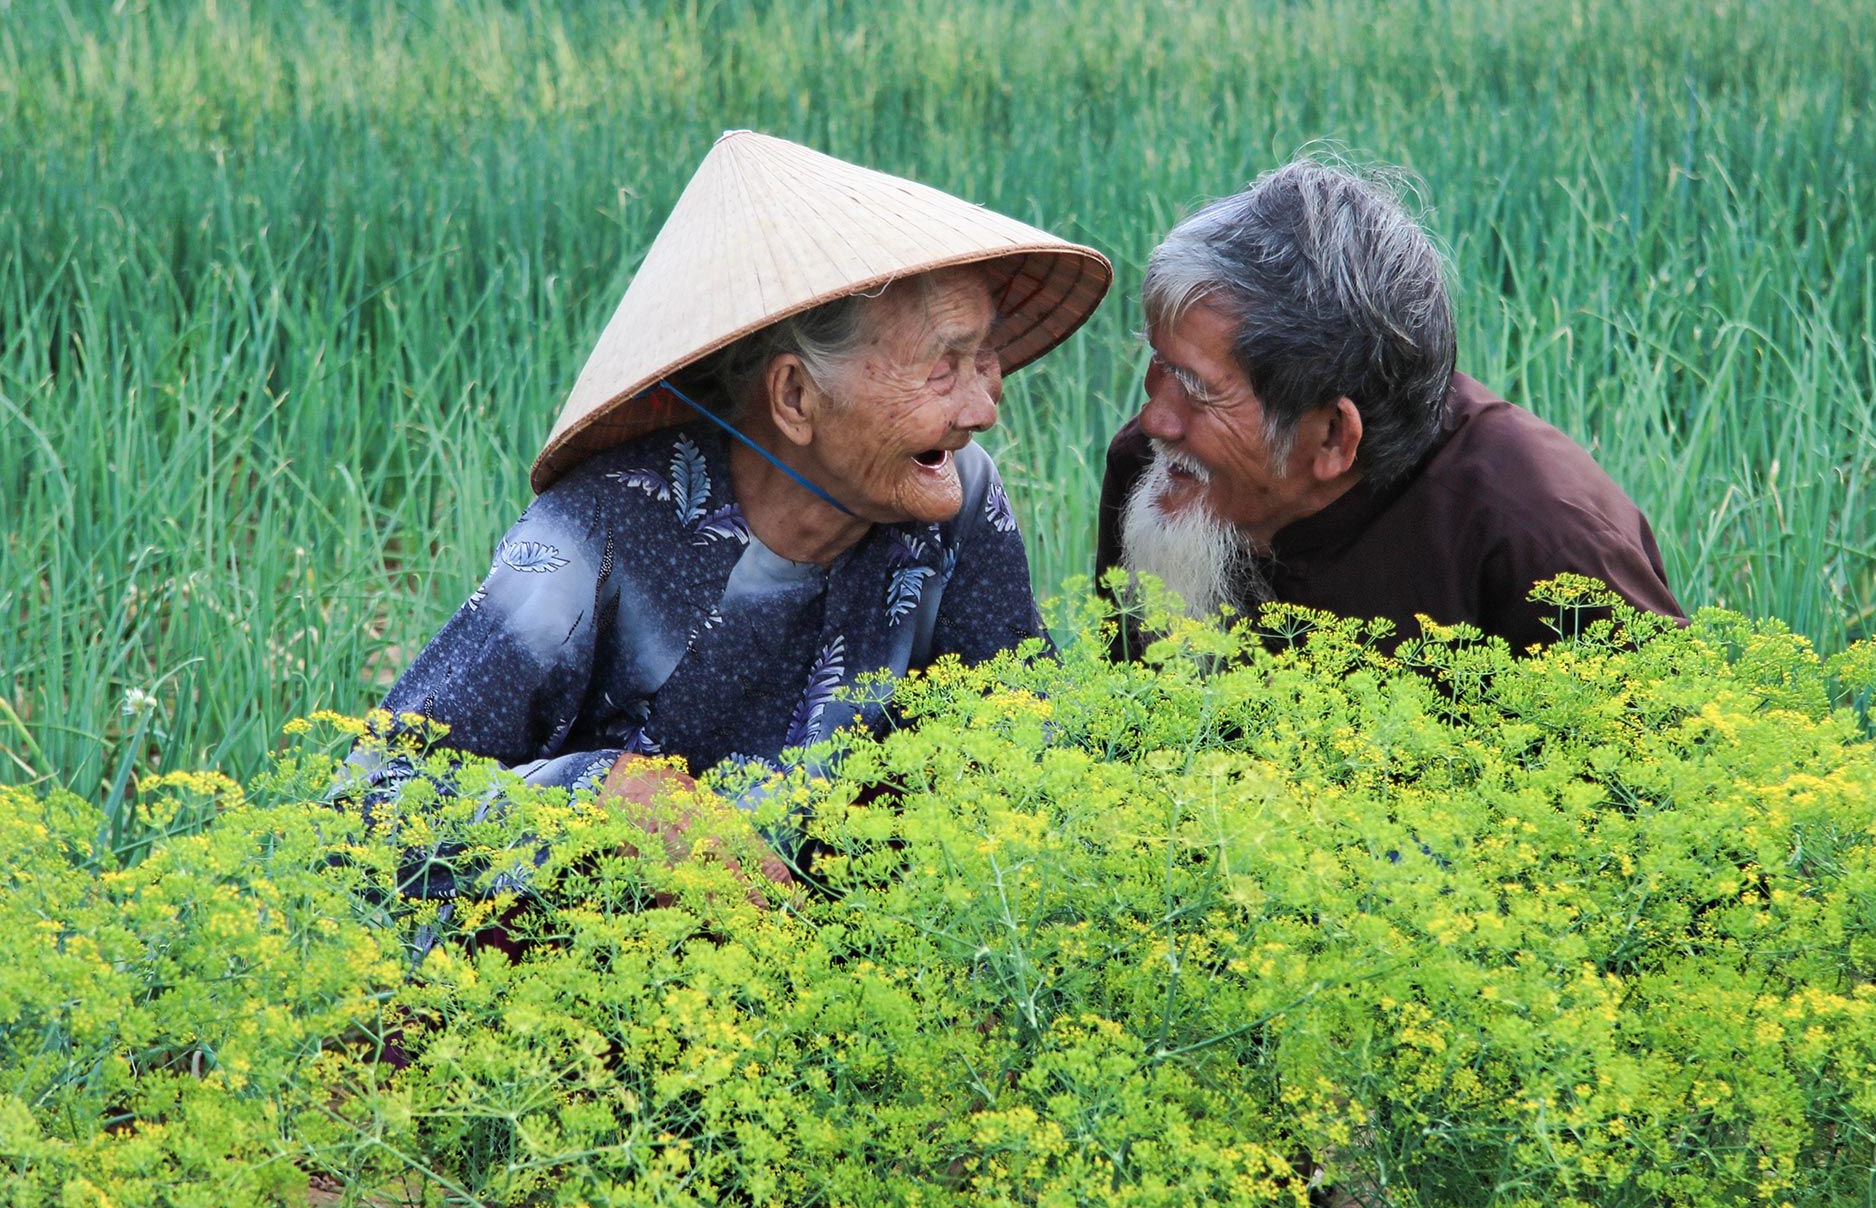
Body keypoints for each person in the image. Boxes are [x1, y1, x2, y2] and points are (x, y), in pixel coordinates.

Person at [362, 131, 1109, 897]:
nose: (982, 409)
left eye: (983, 359)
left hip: (850, 944)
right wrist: (608, 794)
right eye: (941, 369)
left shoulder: (955, 497)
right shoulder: (594, 534)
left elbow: (1028, 751)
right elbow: (374, 806)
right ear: (795, 396)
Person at [1095, 158, 1684, 654]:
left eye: (1198, 388)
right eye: (1161, 362)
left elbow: (1673, 752)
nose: (1154, 420)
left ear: (1334, 435)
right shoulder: (1152, 475)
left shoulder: (1541, 537)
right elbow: (1125, 726)